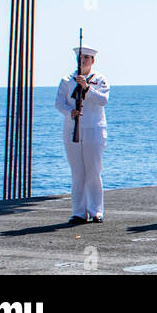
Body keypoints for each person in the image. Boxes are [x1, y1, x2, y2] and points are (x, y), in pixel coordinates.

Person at [54, 45, 111, 223]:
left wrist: (87, 88)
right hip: (73, 127)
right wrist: (69, 112)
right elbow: (59, 102)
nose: (83, 61)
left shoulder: (100, 79)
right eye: (80, 57)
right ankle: (79, 211)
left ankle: (95, 210)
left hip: (94, 127)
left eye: (86, 58)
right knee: (77, 171)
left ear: (92, 60)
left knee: (93, 170)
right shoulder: (67, 80)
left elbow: (103, 100)